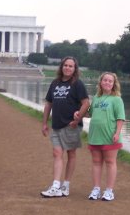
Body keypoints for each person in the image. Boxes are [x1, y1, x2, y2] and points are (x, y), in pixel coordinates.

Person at [40, 56, 90, 198]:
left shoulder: (77, 84)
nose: (67, 68)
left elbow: (86, 103)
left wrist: (77, 118)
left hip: (71, 125)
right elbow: (48, 104)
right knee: (57, 153)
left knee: (71, 154)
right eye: (65, 65)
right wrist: (44, 123)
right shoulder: (55, 83)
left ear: (75, 69)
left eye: (71, 66)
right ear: (61, 67)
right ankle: (56, 185)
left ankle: (65, 185)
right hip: (56, 124)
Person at [84, 72, 125, 201]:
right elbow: (90, 114)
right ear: (100, 82)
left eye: (110, 81)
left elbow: (120, 118)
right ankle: (96, 189)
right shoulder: (96, 97)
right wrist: (78, 114)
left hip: (110, 135)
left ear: (114, 84)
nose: (107, 82)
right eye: (105, 80)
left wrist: (117, 133)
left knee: (110, 162)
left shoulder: (117, 99)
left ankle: (109, 191)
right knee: (96, 162)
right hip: (95, 135)